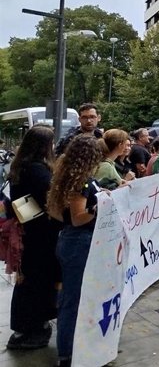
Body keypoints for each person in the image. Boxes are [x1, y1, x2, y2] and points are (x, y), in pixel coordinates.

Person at [46, 135, 104, 367]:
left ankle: (71, 348)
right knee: (72, 299)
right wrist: (97, 208)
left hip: (70, 240)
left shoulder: (68, 177)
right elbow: (78, 218)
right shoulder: (82, 182)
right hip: (79, 243)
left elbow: (59, 214)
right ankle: (67, 354)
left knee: (72, 297)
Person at [6, 125, 62, 351]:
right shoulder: (38, 170)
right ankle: (32, 326)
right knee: (38, 281)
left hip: (30, 230)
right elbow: (52, 200)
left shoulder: (21, 166)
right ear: (45, 146)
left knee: (28, 280)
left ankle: (26, 325)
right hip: (42, 236)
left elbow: (22, 206)